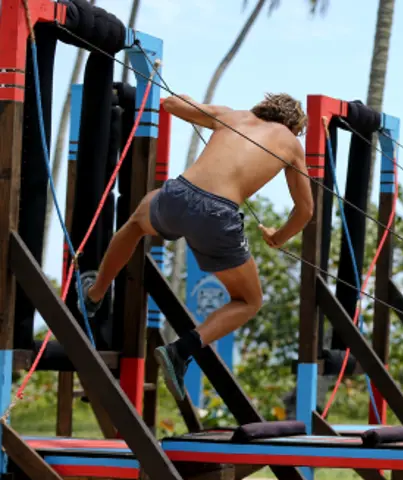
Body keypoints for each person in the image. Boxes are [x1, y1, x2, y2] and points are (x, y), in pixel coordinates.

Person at [79, 92, 314, 402]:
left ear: (263, 107)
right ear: (294, 126)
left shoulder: (233, 114)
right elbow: (305, 210)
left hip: (178, 194)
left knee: (138, 221)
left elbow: (172, 104)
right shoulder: (292, 143)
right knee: (248, 301)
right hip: (217, 215)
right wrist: (278, 237)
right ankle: (180, 351)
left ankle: (95, 294)